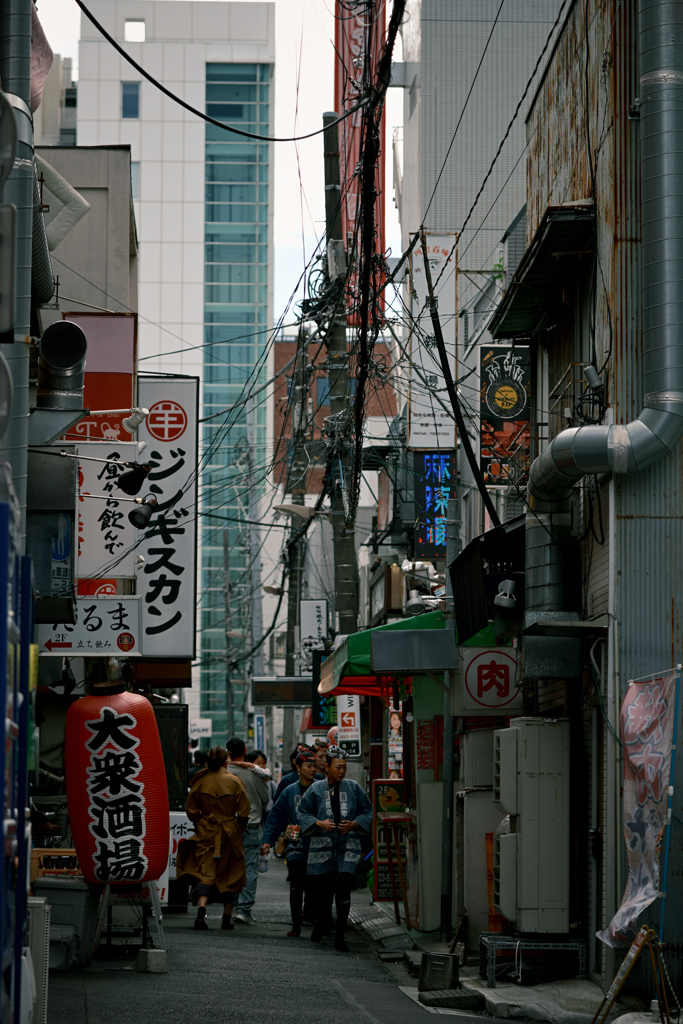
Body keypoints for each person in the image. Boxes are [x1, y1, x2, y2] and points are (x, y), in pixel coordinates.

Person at [297, 744, 373, 952]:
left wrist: (355, 824)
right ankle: (322, 924)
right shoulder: (315, 789)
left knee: (343, 892)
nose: (341, 771)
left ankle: (339, 934)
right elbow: (302, 812)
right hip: (322, 849)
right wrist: (319, 823)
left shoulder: (353, 788)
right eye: (338, 767)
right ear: (327, 767)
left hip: (347, 848)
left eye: (344, 767)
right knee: (323, 893)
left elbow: (368, 810)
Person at [176, 745, 250, 931]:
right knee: (230, 874)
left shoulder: (201, 781)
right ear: (226, 761)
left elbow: (191, 810)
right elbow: (244, 812)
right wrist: (238, 826)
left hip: (206, 831)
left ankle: (201, 911)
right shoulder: (234, 781)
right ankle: (227, 917)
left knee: (204, 872)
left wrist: (202, 820)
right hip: (229, 832)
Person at [260, 745, 317, 937]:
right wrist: (268, 840)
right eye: (308, 766)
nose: (312, 769)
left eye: (313, 766)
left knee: (315, 885)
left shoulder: (323, 787)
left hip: (319, 845)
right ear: (298, 767)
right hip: (295, 844)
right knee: (296, 884)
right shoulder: (289, 789)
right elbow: (276, 815)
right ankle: (296, 924)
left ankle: (315, 919)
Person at [226, 737, 270, 925]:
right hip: (250, 826)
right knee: (249, 868)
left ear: (228, 753)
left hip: (227, 827)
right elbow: (265, 799)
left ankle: (231, 906)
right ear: (245, 751)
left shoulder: (223, 772)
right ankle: (244, 910)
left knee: (230, 867)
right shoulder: (253, 773)